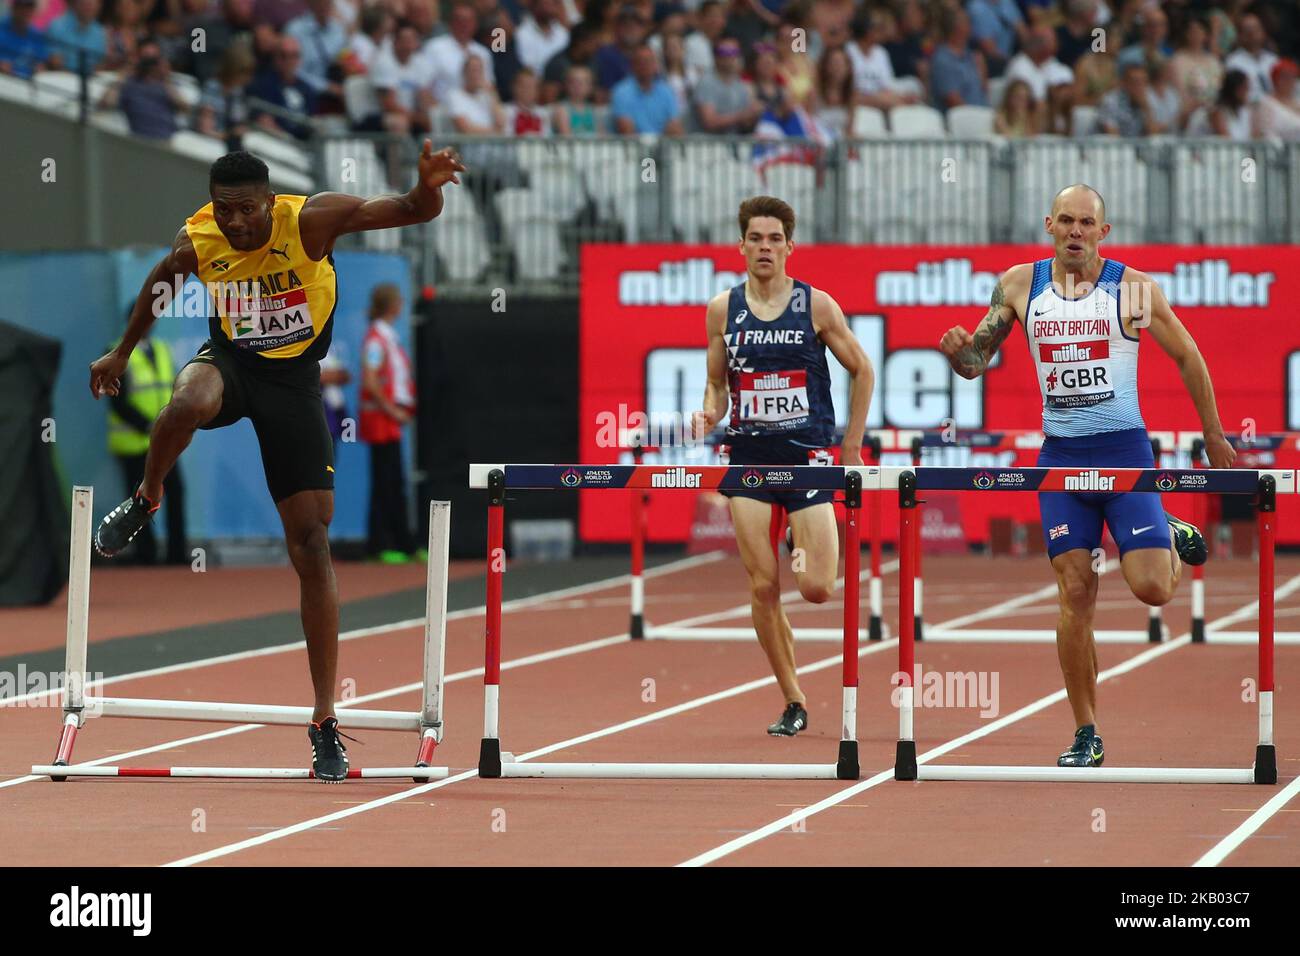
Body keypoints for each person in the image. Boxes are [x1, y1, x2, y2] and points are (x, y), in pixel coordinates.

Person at [88, 143, 467, 782]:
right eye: (223, 209)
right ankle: (148, 497)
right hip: (232, 364)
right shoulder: (200, 236)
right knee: (185, 404)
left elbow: (408, 210)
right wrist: (123, 352)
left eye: (245, 210)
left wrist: (427, 186)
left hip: (293, 383)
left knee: (312, 545)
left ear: (269, 202)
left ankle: (324, 720)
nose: (234, 222)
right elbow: (163, 281)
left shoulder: (310, 220)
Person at [938, 183, 1236, 769]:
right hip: (1061, 459)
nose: (1075, 231)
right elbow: (976, 363)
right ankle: (1086, 730)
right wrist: (958, 356)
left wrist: (1214, 433)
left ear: (1104, 232)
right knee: (1076, 591)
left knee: (1153, 590)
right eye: (1066, 221)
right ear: (1049, 224)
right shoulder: (1020, 287)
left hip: (1124, 454)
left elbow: (1188, 355)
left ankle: (1166, 530)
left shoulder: (1134, 290)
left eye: (1086, 223)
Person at [691, 196, 874, 737]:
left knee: (816, 587)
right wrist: (710, 411)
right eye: (756, 238)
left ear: (790, 246)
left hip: (809, 460)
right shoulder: (722, 309)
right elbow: (718, 384)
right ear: (742, 245)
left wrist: (850, 449)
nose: (765, 247)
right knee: (762, 585)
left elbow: (862, 371)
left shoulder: (817, 306)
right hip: (748, 460)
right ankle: (793, 698)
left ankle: (801, 547)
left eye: (775, 239)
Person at [105, 316, 186, 566]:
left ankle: (176, 554)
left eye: (151, 320)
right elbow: (117, 401)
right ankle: (146, 555)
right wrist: (147, 426)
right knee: (139, 503)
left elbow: (173, 388)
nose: (149, 325)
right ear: (132, 321)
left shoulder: (161, 349)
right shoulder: (114, 353)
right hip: (132, 442)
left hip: (164, 442)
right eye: (144, 320)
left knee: (176, 492)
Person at [360, 283, 419, 564]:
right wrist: (393, 411)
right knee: (385, 482)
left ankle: (400, 543)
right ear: (392, 305)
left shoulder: (387, 337)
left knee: (393, 482)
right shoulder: (375, 340)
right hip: (381, 421)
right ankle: (380, 545)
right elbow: (370, 380)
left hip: (388, 421)